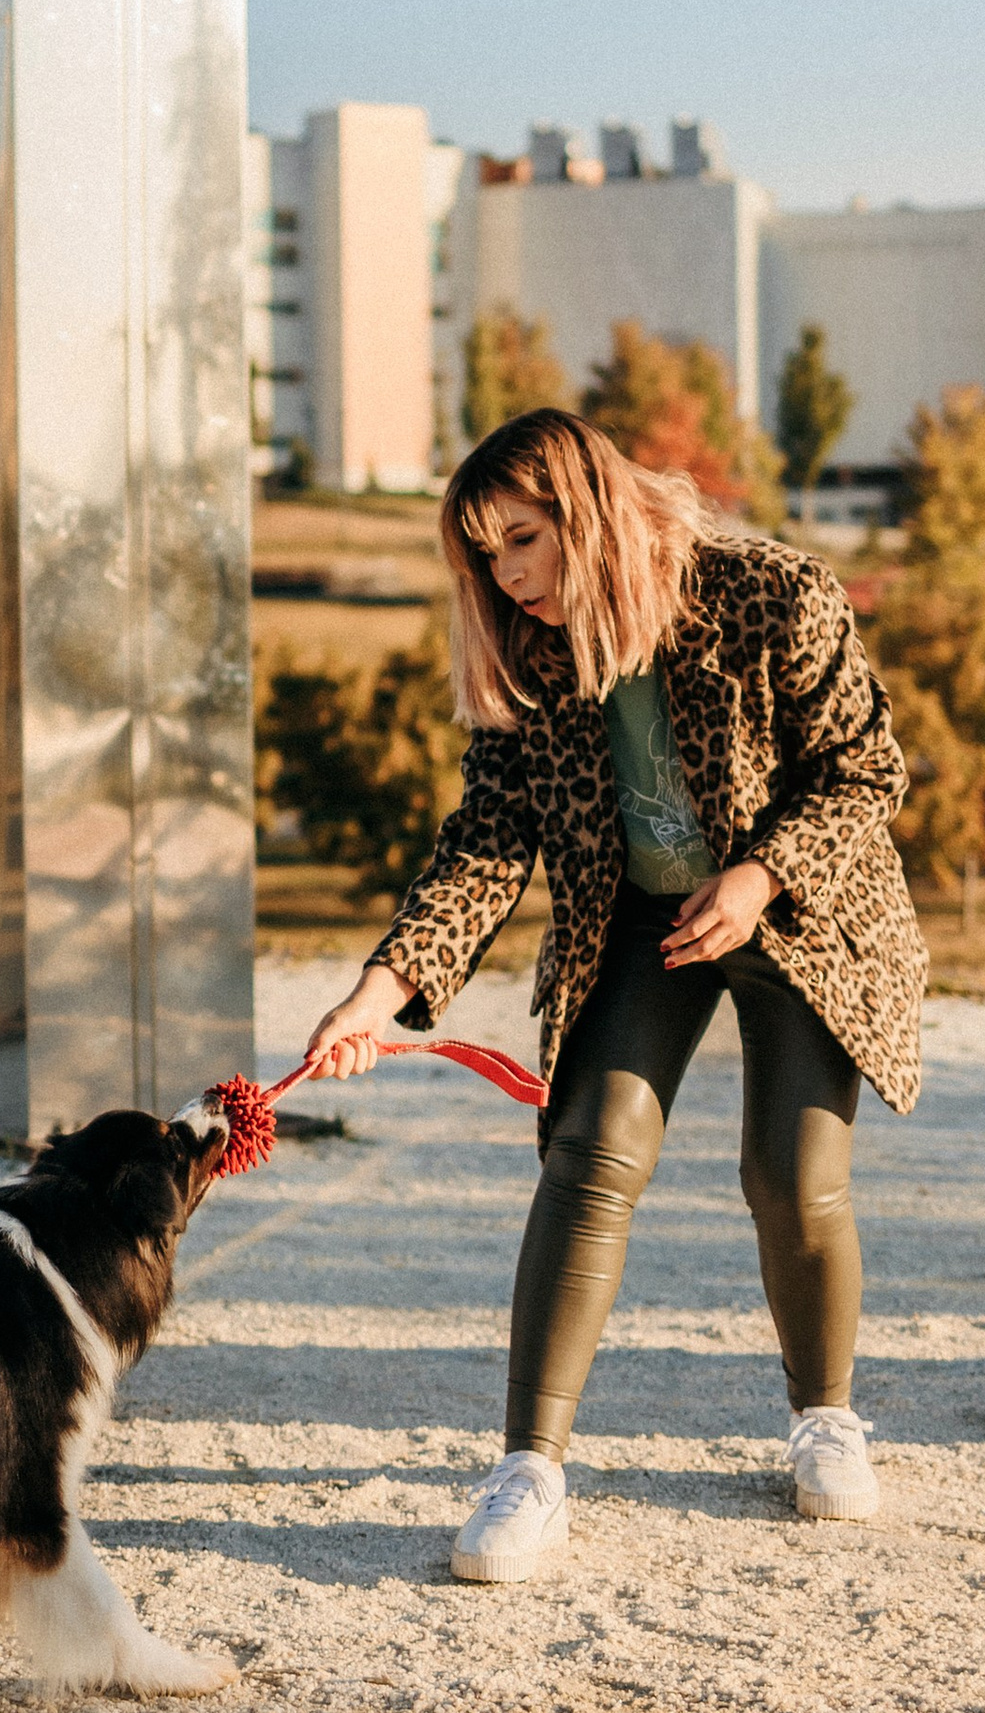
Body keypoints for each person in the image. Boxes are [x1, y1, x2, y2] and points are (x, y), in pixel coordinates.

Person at [302, 409, 926, 1579]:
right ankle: (527, 1473)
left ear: (585, 512)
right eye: (485, 553)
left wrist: (759, 875)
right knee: (590, 1151)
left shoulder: (771, 593)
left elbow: (865, 767)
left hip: (797, 900)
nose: (506, 575)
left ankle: (824, 1416)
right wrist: (381, 990)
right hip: (644, 915)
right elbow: (487, 839)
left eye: (523, 538)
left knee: (791, 1174)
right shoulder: (532, 655)